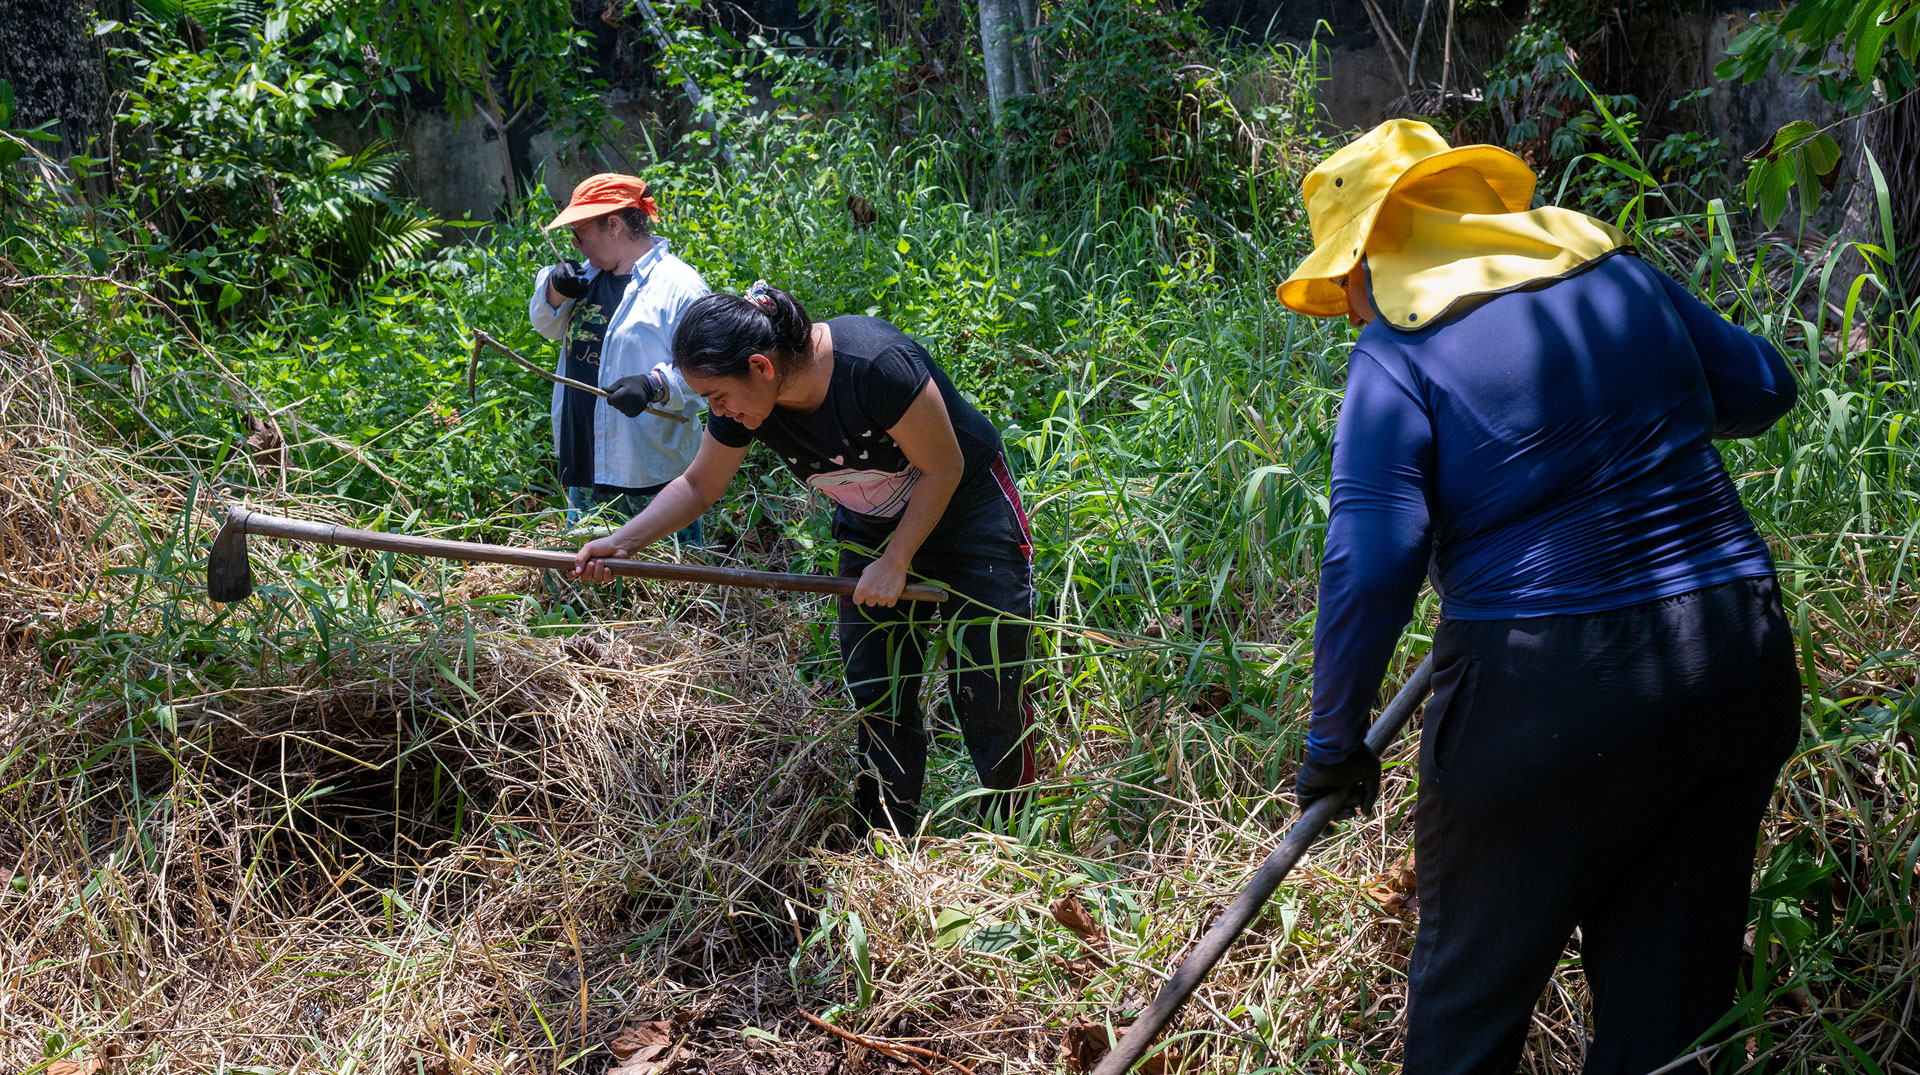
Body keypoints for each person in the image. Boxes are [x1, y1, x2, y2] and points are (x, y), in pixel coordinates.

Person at [1277, 120, 1800, 1073]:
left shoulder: (1400, 356)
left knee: (1470, 1016)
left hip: (1542, 699)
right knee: (1669, 1023)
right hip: (1732, 659)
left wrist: (1331, 742)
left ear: (1377, 253)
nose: (1349, 305)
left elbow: (1374, 558)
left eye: (1348, 276)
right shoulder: (1625, 282)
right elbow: (1765, 386)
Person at [569, 282, 1039, 836]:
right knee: (878, 687)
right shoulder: (747, 406)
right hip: (871, 528)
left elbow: (943, 467)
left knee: (990, 686)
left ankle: (1019, 837)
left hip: (967, 514)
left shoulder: (875, 364)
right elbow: (699, 486)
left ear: (762, 367)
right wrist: (623, 541)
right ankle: (885, 841)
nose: (718, 412)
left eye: (719, 397)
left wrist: (897, 560)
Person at [530, 172, 708, 542]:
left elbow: (709, 368)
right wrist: (555, 289)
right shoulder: (585, 279)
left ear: (613, 225)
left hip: (649, 475)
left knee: (670, 589)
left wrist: (655, 385)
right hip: (583, 463)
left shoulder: (679, 286)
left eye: (580, 233)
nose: (575, 245)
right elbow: (545, 325)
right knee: (591, 585)